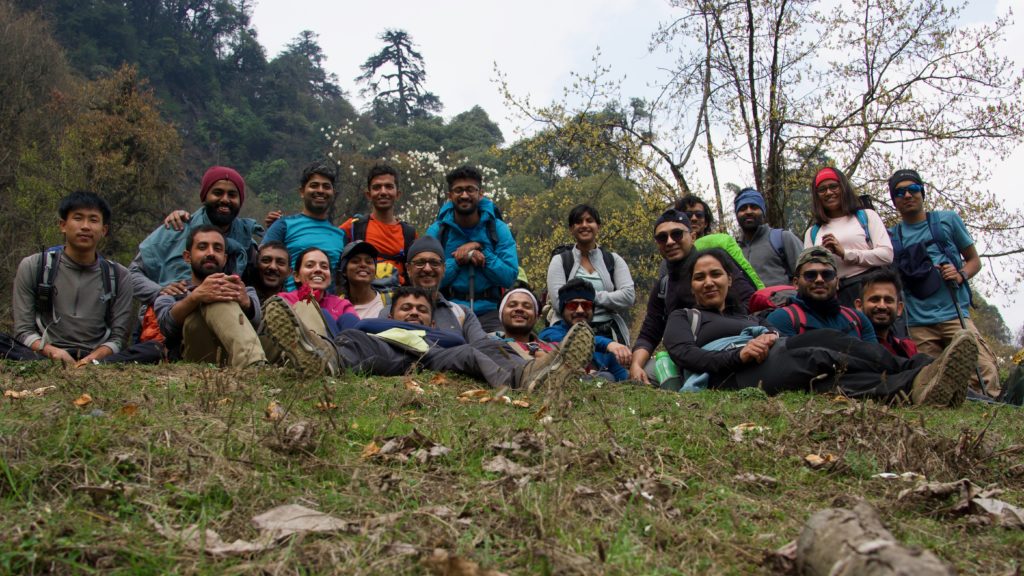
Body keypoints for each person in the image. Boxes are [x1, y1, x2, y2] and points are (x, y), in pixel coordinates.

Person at [662, 248, 977, 407]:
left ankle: (925, 369)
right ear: (691, 285)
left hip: (770, 353)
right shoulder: (685, 316)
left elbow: (778, 340)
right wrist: (740, 355)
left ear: (729, 280)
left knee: (830, 340)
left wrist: (765, 339)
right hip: (730, 373)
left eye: (715, 274)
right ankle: (912, 385)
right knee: (818, 360)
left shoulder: (749, 317)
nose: (708, 282)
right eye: (699, 277)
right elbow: (685, 354)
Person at [265, 285, 596, 391]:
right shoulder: (376, 328)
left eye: (420, 308)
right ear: (392, 313)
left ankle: (531, 377)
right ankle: (322, 359)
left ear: (431, 314)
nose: (413, 312)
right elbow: (361, 336)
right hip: (391, 349)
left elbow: (474, 346)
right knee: (354, 341)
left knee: (480, 349)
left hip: (436, 354)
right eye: (405, 307)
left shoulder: (445, 334)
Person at [887, 168, 1000, 395]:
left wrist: (960, 275)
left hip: (954, 313)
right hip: (918, 323)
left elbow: (973, 260)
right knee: (932, 380)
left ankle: (988, 410)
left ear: (922, 193)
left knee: (985, 372)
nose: (907, 195)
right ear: (894, 201)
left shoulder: (947, 220)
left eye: (913, 189)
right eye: (900, 193)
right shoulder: (890, 236)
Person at [1, 191, 134, 366]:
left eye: (93, 220)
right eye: (78, 218)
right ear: (63, 225)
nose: (85, 226)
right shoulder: (34, 266)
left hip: (97, 357)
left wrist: (91, 359)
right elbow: (23, 331)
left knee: (151, 349)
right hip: (43, 353)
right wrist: (53, 353)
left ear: (104, 230)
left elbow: (118, 338)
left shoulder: (119, 275)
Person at [630, 209, 756, 384]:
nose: (670, 242)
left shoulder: (718, 264)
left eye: (677, 234)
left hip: (734, 346)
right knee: (648, 371)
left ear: (693, 236)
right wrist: (636, 365)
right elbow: (650, 333)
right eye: (662, 238)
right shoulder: (663, 287)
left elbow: (752, 303)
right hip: (686, 356)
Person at [132, 166, 260, 307]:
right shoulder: (175, 229)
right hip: (168, 315)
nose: (225, 199)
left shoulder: (246, 244)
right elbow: (132, 274)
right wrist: (159, 292)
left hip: (224, 317)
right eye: (218, 193)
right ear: (204, 197)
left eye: (232, 195)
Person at [153, 226, 266, 368]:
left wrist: (247, 304)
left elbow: (258, 324)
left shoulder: (243, 290)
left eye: (217, 249)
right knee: (214, 294)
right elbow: (167, 327)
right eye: (202, 247)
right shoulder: (172, 292)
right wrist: (196, 297)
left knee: (219, 291)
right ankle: (253, 363)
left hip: (235, 357)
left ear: (224, 259)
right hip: (196, 359)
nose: (211, 253)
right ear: (187, 257)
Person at [425, 166, 518, 332]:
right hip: (448, 309)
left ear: (480, 193)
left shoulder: (497, 229)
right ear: (450, 196)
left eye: (470, 189)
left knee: (498, 351)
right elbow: (426, 279)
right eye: (458, 190)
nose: (464, 195)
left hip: (490, 312)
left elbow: (509, 276)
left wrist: (482, 252)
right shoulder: (437, 231)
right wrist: (458, 261)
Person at [545, 204, 635, 345]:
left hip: (609, 332)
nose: (584, 225)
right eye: (579, 222)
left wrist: (590, 297)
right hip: (569, 332)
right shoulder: (561, 261)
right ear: (571, 229)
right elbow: (559, 302)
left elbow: (628, 296)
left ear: (598, 226)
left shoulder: (613, 260)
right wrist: (606, 301)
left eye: (589, 220)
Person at [803, 167, 893, 307]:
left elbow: (886, 255)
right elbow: (808, 270)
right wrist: (823, 256)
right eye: (822, 189)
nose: (828, 192)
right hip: (836, 296)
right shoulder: (813, 232)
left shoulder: (866, 217)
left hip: (871, 289)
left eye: (834, 186)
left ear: (843, 188)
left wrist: (845, 253)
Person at [262, 161, 347, 291]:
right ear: (302, 191)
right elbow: (261, 263)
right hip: (288, 305)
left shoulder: (340, 235)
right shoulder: (283, 225)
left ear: (333, 193)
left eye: (326, 186)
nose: (320, 190)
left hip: (327, 308)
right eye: (314, 185)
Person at [766, 246, 877, 342]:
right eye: (811, 275)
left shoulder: (858, 319)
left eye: (827, 275)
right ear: (796, 283)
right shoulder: (781, 319)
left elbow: (875, 361)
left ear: (837, 282)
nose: (819, 280)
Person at [338, 164, 417, 288]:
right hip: (362, 298)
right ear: (369, 194)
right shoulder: (354, 226)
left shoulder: (409, 233)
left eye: (389, 187)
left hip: (398, 299)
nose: (383, 192)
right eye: (377, 187)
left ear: (398, 194)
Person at [539, 279, 629, 382]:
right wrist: (608, 344)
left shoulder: (606, 350)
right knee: (606, 377)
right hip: (561, 390)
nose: (580, 310)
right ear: (562, 310)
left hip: (599, 395)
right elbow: (572, 342)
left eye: (586, 305)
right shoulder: (549, 334)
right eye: (572, 305)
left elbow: (623, 381)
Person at [734, 187, 802, 286]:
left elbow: (806, 273)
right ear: (737, 214)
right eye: (743, 208)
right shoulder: (734, 249)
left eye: (754, 207)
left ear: (763, 212)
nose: (748, 211)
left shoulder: (783, 238)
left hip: (782, 300)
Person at [854, 269, 918, 359]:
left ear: (899, 308)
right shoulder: (852, 347)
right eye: (874, 299)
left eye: (888, 300)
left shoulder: (908, 349)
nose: (882, 306)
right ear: (859, 306)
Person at [495, 288, 557, 360]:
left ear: (536, 317)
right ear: (500, 314)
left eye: (527, 306)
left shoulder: (554, 351)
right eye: (512, 305)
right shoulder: (486, 346)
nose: (519, 309)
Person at [338, 240, 386, 319]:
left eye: (369, 262)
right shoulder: (335, 306)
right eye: (355, 261)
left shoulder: (389, 302)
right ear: (344, 271)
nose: (363, 265)